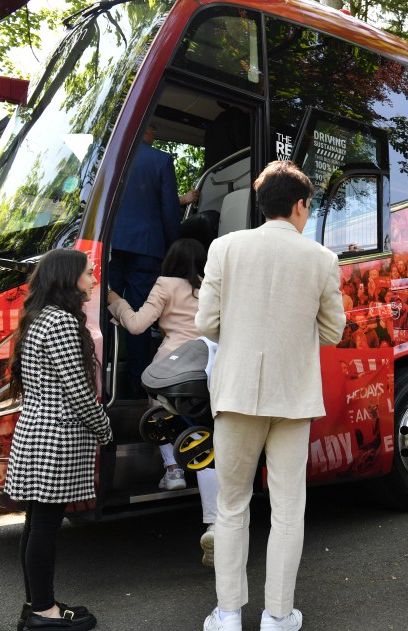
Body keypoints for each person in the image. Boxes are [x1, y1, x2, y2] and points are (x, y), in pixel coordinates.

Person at [196, 161, 345, 631]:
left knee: (231, 506)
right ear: (301, 205)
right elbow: (333, 331)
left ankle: (227, 614)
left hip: (236, 392)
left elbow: (205, 323)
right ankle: (278, 615)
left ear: (262, 204)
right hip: (293, 397)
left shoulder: (225, 247)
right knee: (287, 509)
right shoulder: (321, 257)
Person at [5, 249, 112, 631]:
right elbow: (79, 392)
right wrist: (104, 429)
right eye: (88, 274)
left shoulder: (38, 317)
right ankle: (43, 612)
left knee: (36, 523)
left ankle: (37, 604)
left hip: (36, 431)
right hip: (57, 436)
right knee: (44, 526)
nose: (94, 280)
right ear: (68, 278)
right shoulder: (62, 322)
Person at [105, 238, 220, 567]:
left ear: (170, 261)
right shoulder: (214, 284)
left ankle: (173, 470)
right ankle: (214, 523)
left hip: (172, 368)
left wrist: (115, 300)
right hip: (208, 367)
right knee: (205, 441)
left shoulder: (165, 284)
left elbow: (138, 324)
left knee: (160, 413)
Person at [109, 123, 185, 396]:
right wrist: (173, 247)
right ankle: (135, 381)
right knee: (140, 314)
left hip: (112, 246)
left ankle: (103, 372)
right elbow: (169, 210)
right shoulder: (161, 160)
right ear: (147, 131)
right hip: (147, 248)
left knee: (107, 307)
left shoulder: (110, 156)